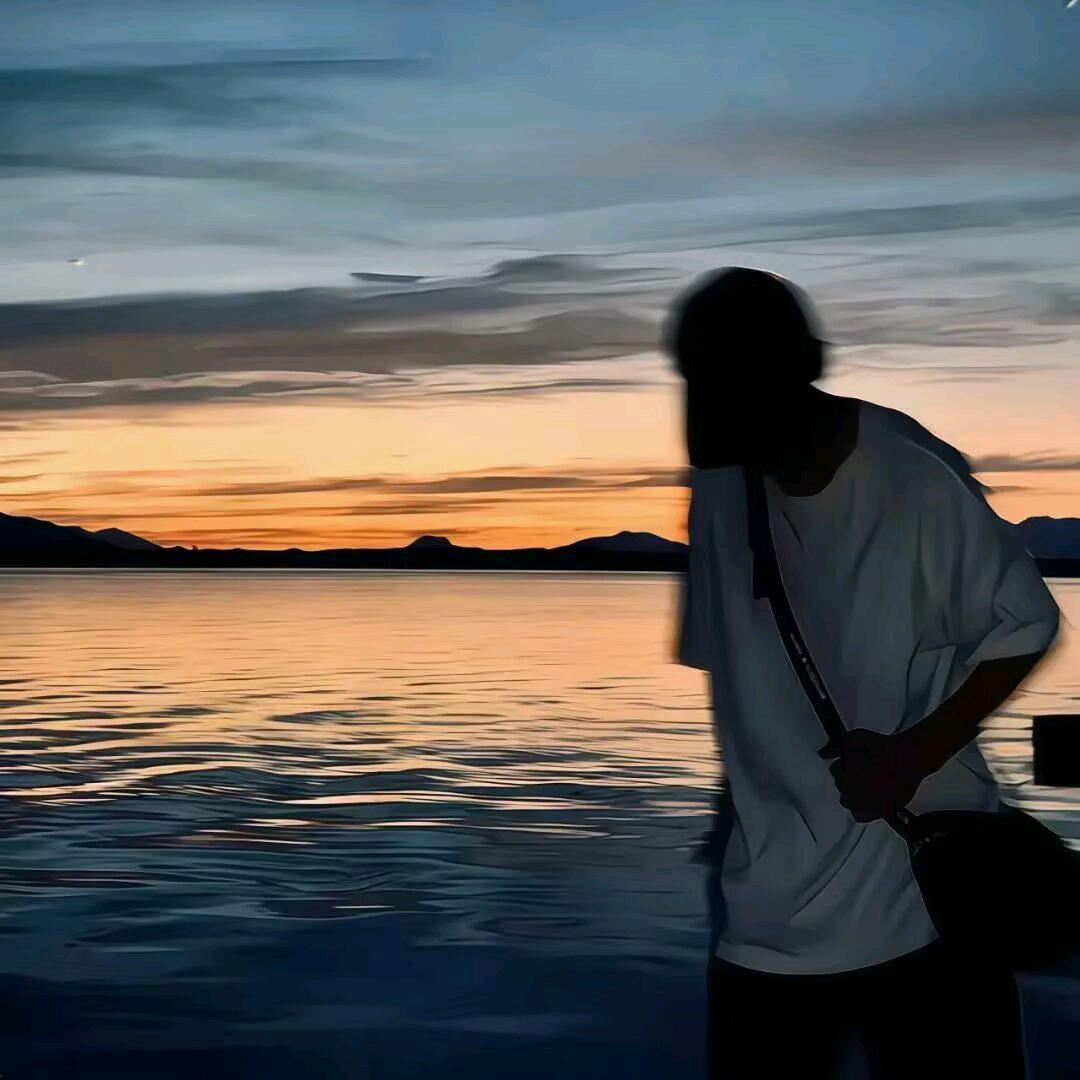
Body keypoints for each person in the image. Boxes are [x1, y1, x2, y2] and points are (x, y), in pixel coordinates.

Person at [666, 267, 1062, 1079]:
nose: (697, 402)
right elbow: (739, 682)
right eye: (693, 372)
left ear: (795, 366)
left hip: (921, 909)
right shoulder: (718, 486)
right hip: (765, 924)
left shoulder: (910, 476)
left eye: (721, 371)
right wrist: (733, 816)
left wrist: (915, 755)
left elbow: (1027, 624)